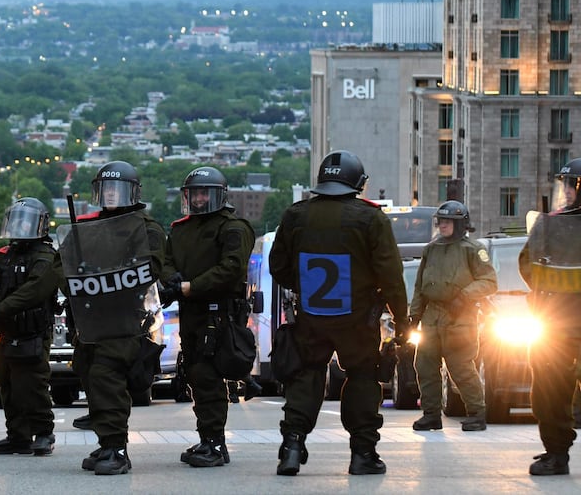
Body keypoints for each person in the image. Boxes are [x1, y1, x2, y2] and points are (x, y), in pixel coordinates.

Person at [268, 150, 409, 476]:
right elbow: (391, 277)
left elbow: (278, 266)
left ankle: (291, 446)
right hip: (358, 318)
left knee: (308, 374)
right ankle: (363, 454)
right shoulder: (371, 219)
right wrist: (402, 320)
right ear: (357, 183)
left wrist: (305, 287)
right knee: (362, 376)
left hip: (312, 315)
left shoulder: (295, 215)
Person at [61, 161, 166, 475]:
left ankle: (117, 448)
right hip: (89, 321)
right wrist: (72, 279)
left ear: (133, 193)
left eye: (117, 188)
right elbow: (61, 263)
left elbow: (152, 266)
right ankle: (106, 440)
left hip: (123, 320)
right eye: (105, 188)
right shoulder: (85, 228)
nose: (110, 194)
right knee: (89, 374)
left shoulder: (146, 228)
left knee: (107, 378)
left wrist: (105, 278)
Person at [161, 166, 255, 468]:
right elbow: (164, 260)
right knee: (195, 374)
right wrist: (173, 280)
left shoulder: (233, 227)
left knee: (209, 375)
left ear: (219, 195)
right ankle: (207, 438)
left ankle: (214, 442)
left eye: (205, 193)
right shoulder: (180, 229)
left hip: (219, 313)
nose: (200, 198)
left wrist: (191, 286)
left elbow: (231, 268)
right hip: (190, 312)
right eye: (195, 193)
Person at [0, 197, 61, 456]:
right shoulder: (5, 256)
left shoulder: (46, 257)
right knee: (6, 382)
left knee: (32, 383)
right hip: (7, 331)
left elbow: (33, 292)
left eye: (26, 222)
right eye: (17, 221)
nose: (21, 226)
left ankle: (44, 432)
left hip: (33, 330)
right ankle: (18, 436)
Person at [409, 200, 497, 432]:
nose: (443, 225)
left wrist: (465, 297)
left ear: (461, 224)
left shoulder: (473, 249)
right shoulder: (431, 249)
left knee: (460, 367)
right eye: (441, 221)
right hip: (432, 316)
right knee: (425, 364)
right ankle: (431, 415)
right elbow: (420, 286)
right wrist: (414, 316)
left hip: (460, 317)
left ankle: (477, 414)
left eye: (449, 221)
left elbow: (489, 282)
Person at [518, 158, 581, 475]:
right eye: (564, 185)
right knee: (548, 392)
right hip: (555, 325)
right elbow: (527, 264)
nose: (566, 191)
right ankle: (556, 452)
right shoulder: (550, 223)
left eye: (571, 185)